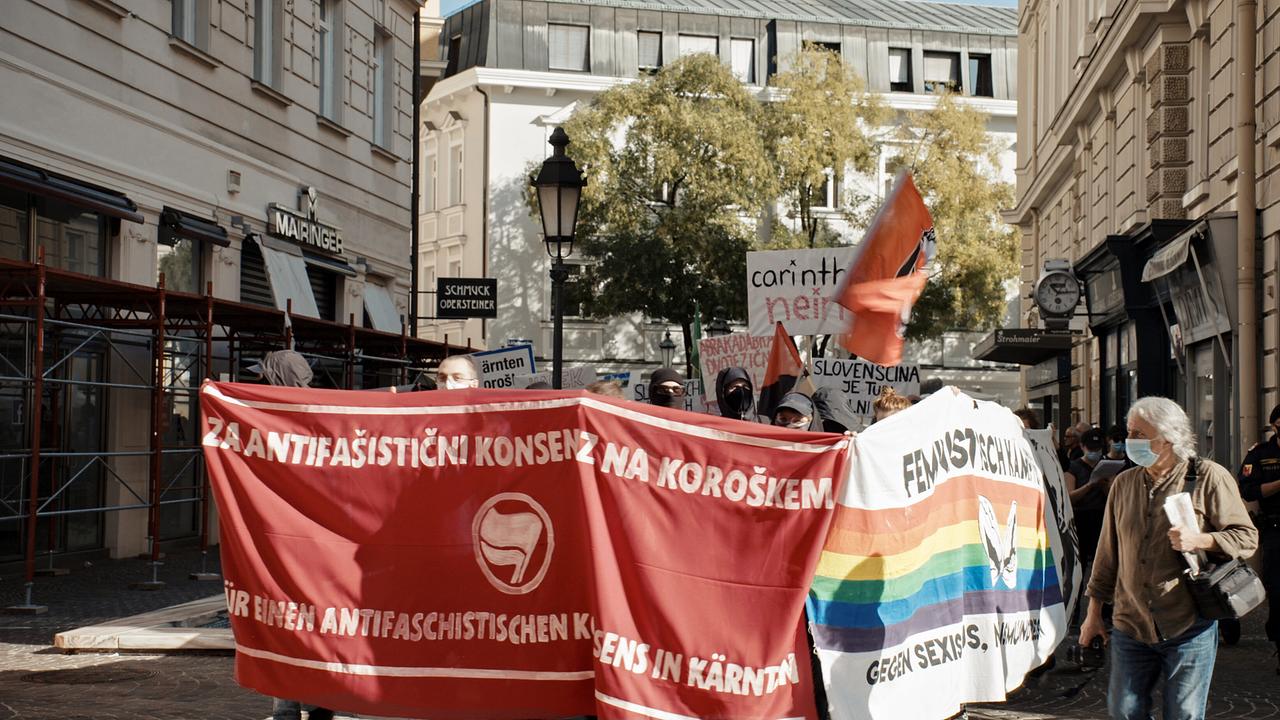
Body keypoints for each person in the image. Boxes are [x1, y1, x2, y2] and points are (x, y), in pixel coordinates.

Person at [1079, 396, 1257, 720]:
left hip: (1188, 624)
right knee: (1124, 712)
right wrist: (1093, 615)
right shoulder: (1123, 484)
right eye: (1129, 432)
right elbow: (1107, 555)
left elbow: (1247, 538)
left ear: (1168, 438)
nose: (1129, 441)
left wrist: (1201, 539)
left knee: (1183, 714)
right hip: (1130, 624)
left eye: (1138, 434)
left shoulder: (1209, 478)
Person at [254, 350, 335, 720]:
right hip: (303, 542)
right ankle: (311, 703)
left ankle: (299, 706)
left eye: (266, 377)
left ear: (278, 379)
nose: (261, 383)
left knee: (293, 623)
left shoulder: (292, 418)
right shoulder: (326, 417)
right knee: (301, 623)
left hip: (298, 542)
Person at [1238, 403, 1280, 669]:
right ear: (1275, 426)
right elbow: (1248, 490)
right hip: (1276, 530)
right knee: (1277, 590)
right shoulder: (1261, 454)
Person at [1066, 428, 1108, 563]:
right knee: (1081, 559)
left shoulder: (1106, 466)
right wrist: (1089, 485)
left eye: (1097, 449)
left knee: (1100, 558)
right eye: (1091, 448)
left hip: (1101, 516)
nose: (1094, 452)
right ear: (1082, 447)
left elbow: (1113, 494)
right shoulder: (1074, 467)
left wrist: (1104, 485)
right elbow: (1069, 497)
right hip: (1081, 517)